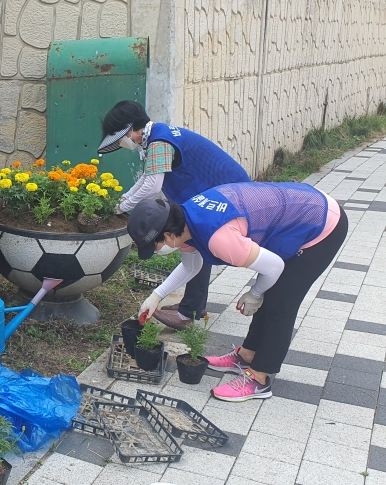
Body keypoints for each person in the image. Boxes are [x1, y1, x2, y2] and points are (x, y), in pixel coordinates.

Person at [128, 182, 347, 401]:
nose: (156, 252)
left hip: (321, 222)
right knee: (272, 292)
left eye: (154, 247)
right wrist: (156, 296)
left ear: (167, 236)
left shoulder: (219, 238)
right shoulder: (184, 220)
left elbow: (274, 267)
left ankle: (259, 379)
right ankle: (246, 356)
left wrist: (255, 293)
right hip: (302, 207)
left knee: (280, 302)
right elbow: (190, 266)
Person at [98, 101, 250, 331]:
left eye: (121, 137)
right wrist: (125, 200)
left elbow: (152, 185)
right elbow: (148, 178)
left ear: (130, 130)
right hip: (216, 190)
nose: (122, 143)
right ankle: (193, 307)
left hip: (229, 192)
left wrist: (123, 206)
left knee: (198, 242)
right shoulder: (157, 138)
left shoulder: (160, 141)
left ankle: (189, 312)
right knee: (197, 244)